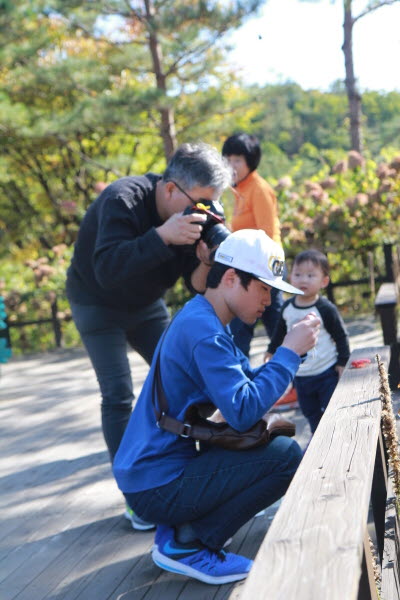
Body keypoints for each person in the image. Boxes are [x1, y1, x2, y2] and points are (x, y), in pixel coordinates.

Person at [113, 229, 321, 585]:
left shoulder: (202, 316)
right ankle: (188, 544)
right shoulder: (205, 331)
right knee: (284, 456)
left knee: (278, 444)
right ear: (230, 278)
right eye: (264, 288)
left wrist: (289, 353)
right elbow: (242, 409)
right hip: (156, 482)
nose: (268, 302)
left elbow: (247, 379)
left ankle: (182, 530)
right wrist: (287, 353)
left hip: (152, 472)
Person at [66, 142, 232, 528]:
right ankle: (134, 494)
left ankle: (198, 473)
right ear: (171, 188)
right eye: (200, 203)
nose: (203, 213)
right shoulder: (122, 198)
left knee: (188, 374)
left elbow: (194, 285)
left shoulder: (191, 218)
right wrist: (162, 236)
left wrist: (206, 262)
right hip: (96, 302)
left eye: (211, 205)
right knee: (118, 394)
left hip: (145, 306)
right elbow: (107, 268)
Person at [266, 249, 350, 435]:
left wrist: (343, 362)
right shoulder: (287, 308)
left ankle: (336, 438)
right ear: (290, 277)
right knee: (310, 413)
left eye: (311, 275)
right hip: (301, 376)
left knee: (331, 410)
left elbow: (340, 336)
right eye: (297, 274)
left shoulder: (325, 308)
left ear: (324, 281)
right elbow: (279, 333)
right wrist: (271, 351)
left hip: (326, 371)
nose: (303, 280)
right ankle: (316, 440)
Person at [222, 133, 283, 356]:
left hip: (265, 267)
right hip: (247, 267)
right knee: (241, 333)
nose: (231, 166)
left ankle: (302, 384)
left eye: (237, 160)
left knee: (278, 330)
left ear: (250, 160)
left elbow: (267, 234)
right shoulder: (239, 189)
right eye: (227, 160)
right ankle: (240, 382)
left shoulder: (259, 188)